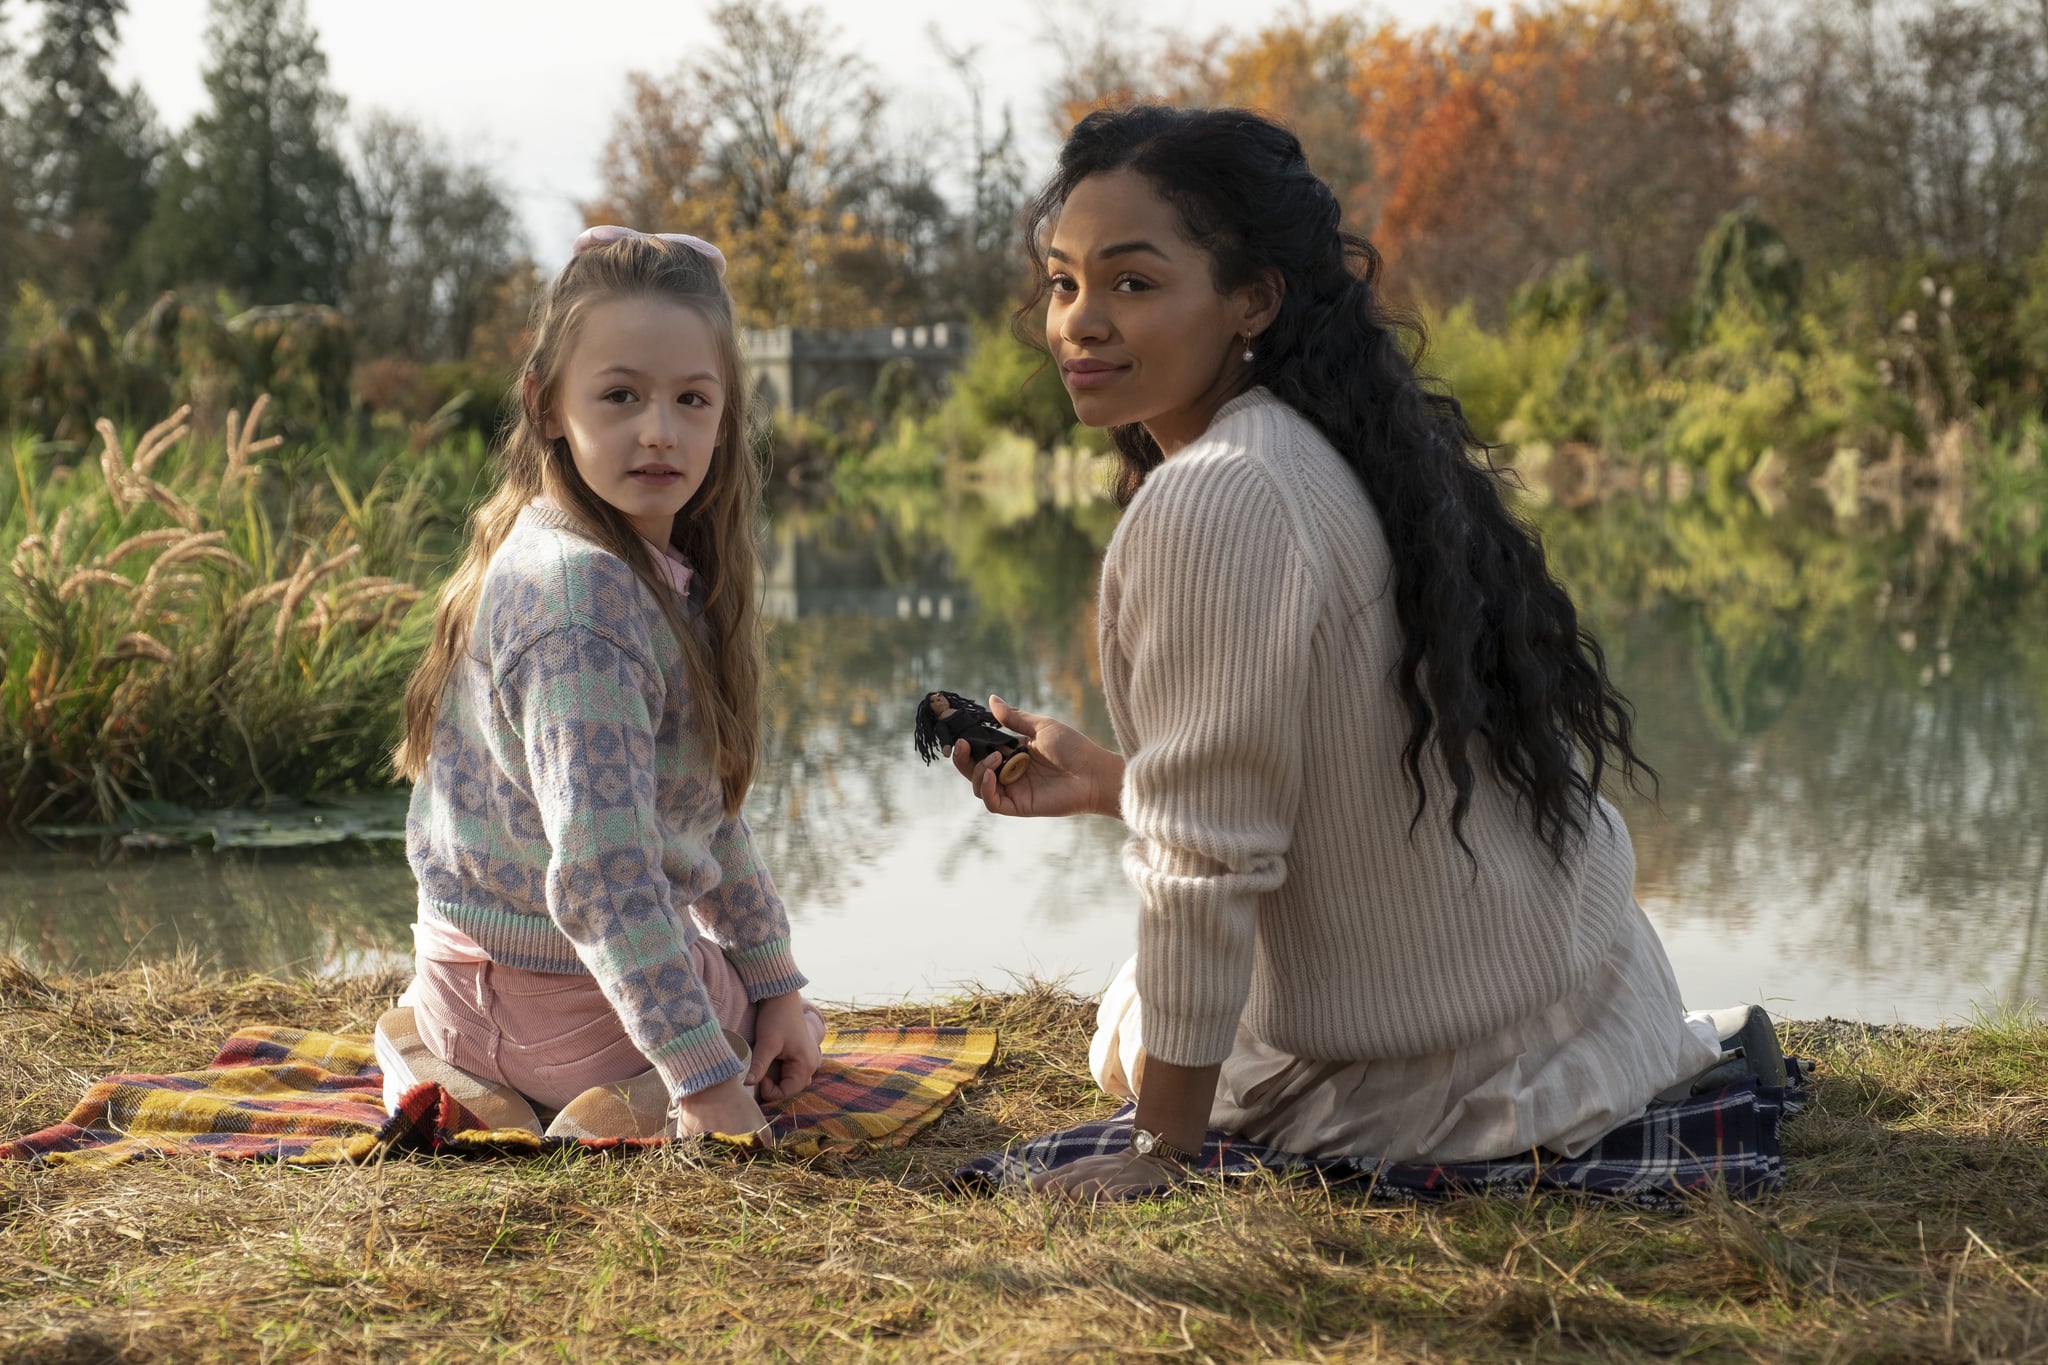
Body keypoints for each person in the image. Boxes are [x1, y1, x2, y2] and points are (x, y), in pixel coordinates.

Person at [953, 106, 1749, 1199]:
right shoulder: (1336, 439)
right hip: (1584, 989)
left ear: (1252, 300)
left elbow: (1205, 861)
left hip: (1435, 1083)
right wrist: (1105, 781)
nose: (1079, 324)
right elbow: (1341, 769)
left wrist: (1156, 1151)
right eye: (1062, 283)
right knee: (1157, 994)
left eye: (1132, 283)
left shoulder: (1213, 495)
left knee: (1136, 1011)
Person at [374, 227, 823, 1143]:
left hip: (468, 981)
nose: (659, 429)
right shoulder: (582, 600)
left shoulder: (594, 555)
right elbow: (607, 879)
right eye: (620, 395)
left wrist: (773, 971)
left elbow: (694, 810)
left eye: (692, 399)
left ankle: (441, 1057)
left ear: (726, 416)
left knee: (767, 1002)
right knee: (761, 1034)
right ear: (547, 406)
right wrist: (710, 1083)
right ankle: (609, 1103)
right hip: (553, 1006)